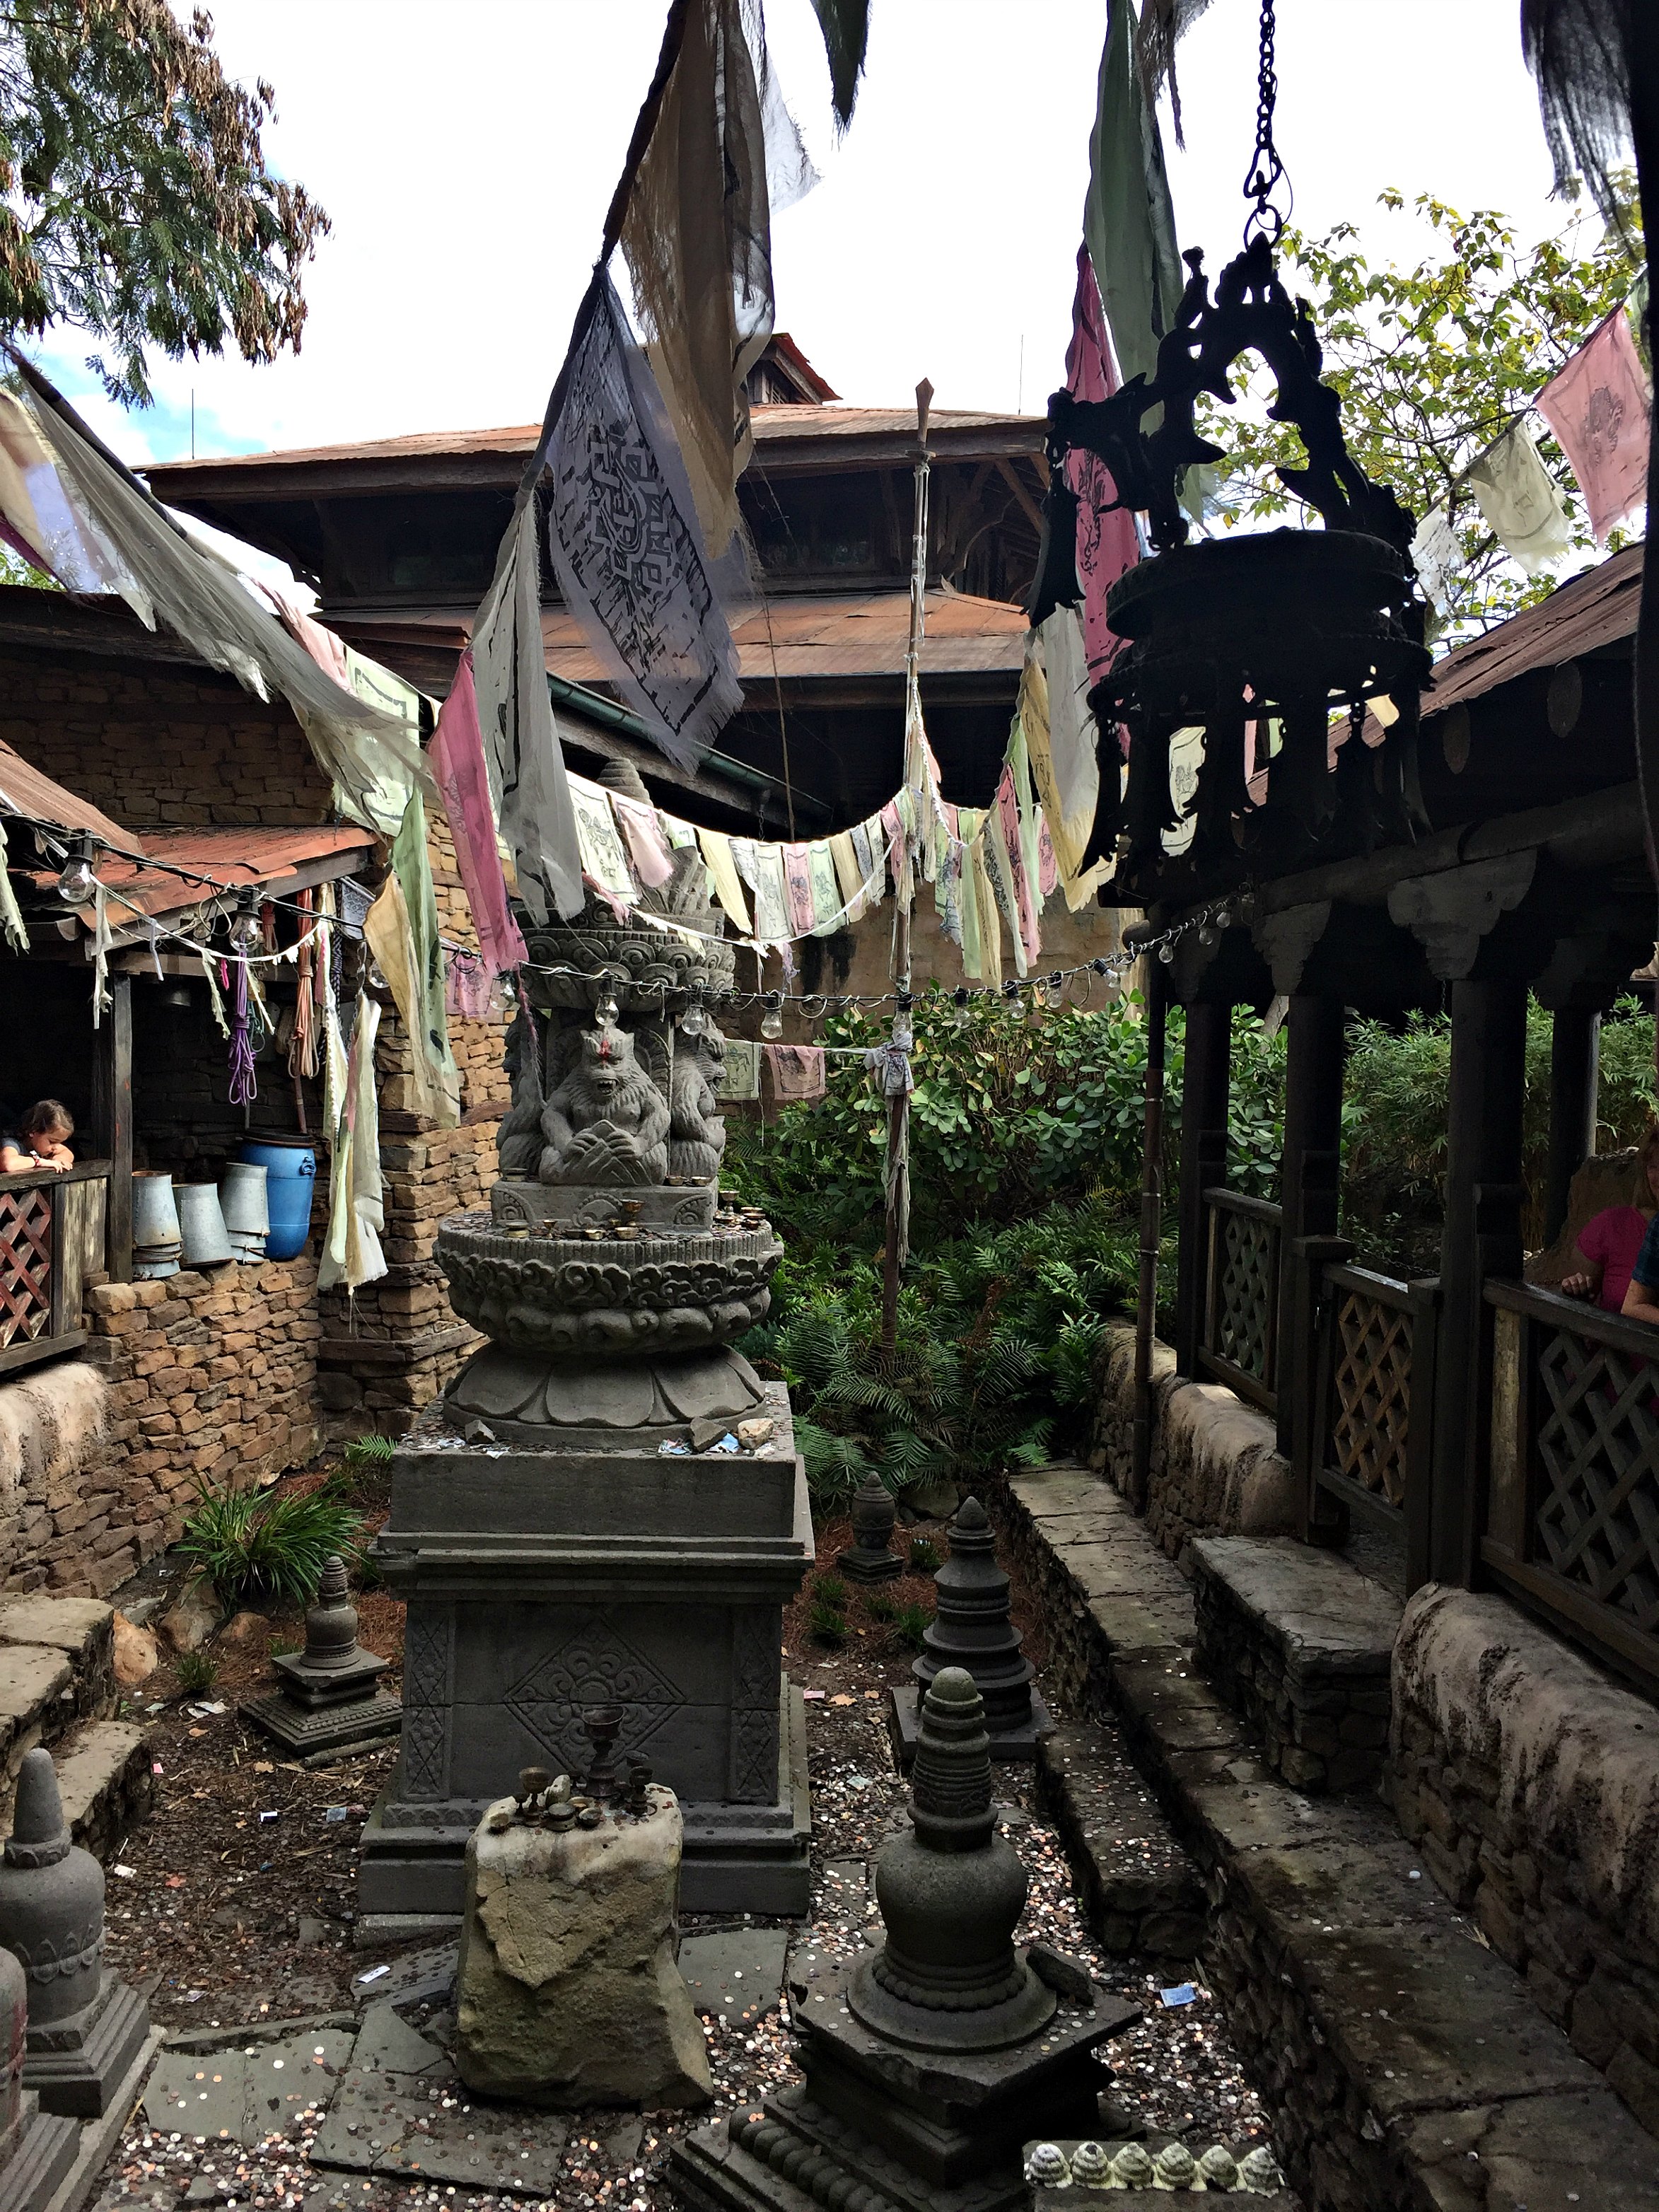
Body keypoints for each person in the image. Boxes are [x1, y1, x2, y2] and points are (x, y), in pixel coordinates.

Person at [1560, 1122, 1659, 1313]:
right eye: (1653, 1166)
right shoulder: (1613, 1225)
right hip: (1616, 1340)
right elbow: (1577, 1289)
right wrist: (1575, 1289)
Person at [0, 1100, 75, 1175]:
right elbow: (8, 1164)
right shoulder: (12, 1143)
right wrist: (39, 1162)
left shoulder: (44, 1147)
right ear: (33, 1131)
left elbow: (67, 1153)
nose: (56, 1147)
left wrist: (59, 1160)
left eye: (59, 1142)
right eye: (52, 1142)